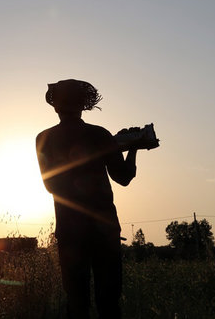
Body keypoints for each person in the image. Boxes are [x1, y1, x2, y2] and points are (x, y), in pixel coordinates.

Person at [35, 79, 139, 319]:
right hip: (104, 231)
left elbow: (50, 185)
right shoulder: (99, 135)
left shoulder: (43, 138)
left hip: (70, 233)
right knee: (109, 303)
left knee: (76, 302)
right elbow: (123, 177)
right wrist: (132, 147)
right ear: (83, 105)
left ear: (55, 107)